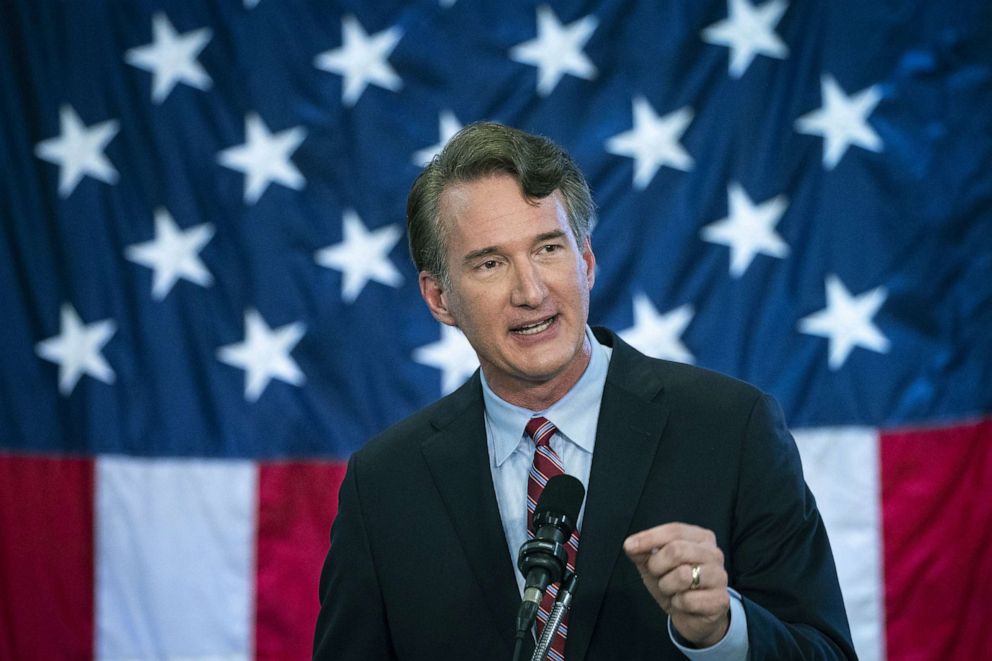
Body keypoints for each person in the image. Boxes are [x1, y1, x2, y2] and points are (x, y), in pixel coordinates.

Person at [313, 122, 856, 660]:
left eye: (548, 248)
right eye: (490, 263)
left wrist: (722, 630)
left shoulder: (731, 430)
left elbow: (826, 652)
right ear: (439, 298)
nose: (530, 291)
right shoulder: (384, 486)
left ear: (587, 262)